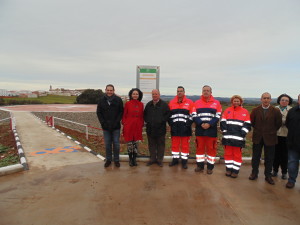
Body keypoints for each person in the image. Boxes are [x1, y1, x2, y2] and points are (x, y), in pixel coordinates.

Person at [249, 92, 282, 185]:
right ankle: (254, 173)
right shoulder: (255, 110)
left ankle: (268, 175)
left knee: (270, 158)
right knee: (255, 157)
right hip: (257, 137)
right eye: (264, 98)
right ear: (261, 99)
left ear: (270, 100)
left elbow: (278, 123)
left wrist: (270, 131)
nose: (266, 100)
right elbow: (253, 122)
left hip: (270, 137)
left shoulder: (275, 111)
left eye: (268, 98)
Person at [220, 95, 251, 178]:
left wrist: (242, 133)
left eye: (238, 101)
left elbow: (247, 124)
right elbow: (223, 122)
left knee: (237, 155)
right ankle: (228, 169)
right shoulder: (227, 110)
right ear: (232, 102)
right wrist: (225, 131)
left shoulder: (245, 112)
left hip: (239, 138)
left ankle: (235, 171)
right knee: (228, 154)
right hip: (228, 137)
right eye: (234, 101)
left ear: (241, 102)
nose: (236, 102)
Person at [193, 85, 222, 174]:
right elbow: (194, 115)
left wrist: (209, 124)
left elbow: (218, 116)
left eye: (207, 90)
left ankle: (210, 168)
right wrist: (201, 123)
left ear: (211, 92)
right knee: (199, 149)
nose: (206, 92)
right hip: (200, 130)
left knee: (211, 149)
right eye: (204, 90)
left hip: (211, 130)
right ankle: (200, 166)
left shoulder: (216, 103)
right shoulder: (196, 103)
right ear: (202, 92)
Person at [96, 84, 124, 168]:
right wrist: (103, 123)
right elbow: (99, 112)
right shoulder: (101, 100)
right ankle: (108, 160)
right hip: (106, 127)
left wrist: (116, 122)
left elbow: (121, 112)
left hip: (116, 126)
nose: (109, 92)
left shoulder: (118, 100)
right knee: (107, 144)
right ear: (105, 90)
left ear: (113, 91)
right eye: (108, 90)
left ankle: (116, 160)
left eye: (111, 90)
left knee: (116, 144)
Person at [168, 86, 194, 169]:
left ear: (184, 92)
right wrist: (171, 124)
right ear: (176, 92)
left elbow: (193, 115)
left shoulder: (189, 102)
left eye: (181, 91)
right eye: (178, 91)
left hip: (185, 128)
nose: (179, 92)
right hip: (175, 128)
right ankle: (175, 160)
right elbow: (169, 115)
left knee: (185, 146)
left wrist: (187, 124)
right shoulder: (172, 102)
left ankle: (184, 162)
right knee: (175, 145)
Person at [144, 89, 170, 167]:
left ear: (159, 94)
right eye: (153, 94)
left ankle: (159, 160)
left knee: (160, 145)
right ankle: (152, 159)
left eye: (156, 94)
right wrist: (148, 120)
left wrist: (161, 121)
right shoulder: (148, 104)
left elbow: (168, 115)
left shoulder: (164, 105)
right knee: (151, 145)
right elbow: (145, 115)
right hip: (150, 129)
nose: (154, 95)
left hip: (160, 129)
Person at [271, 94, 293, 180]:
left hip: (286, 134)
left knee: (285, 154)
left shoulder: (291, 110)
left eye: (286, 100)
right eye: (282, 100)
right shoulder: (274, 109)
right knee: (275, 154)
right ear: (279, 101)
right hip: (275, 134)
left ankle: (284, 172)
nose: (284, 101)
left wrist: (281, 121)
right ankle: (275, 170)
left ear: (289, 102)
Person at [122, 88, 144, 167]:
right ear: (131, 95)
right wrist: (125, 123)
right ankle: (130, 159)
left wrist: (141, 124)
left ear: (139, 95)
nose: (135, 95)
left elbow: (142, 116)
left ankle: (134, 159)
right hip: (129, 126)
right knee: (130, 144)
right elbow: (124, 115)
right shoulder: (128, 104)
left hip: (137, 126)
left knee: (135, 144)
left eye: (137, 94)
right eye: (134, 94)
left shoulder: (141, 104)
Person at [285, 94, 300, 189]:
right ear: (298, 100)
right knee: (292, 163)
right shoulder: (292, 111)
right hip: (293, 143)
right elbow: (287, 124)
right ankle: (291, 180)